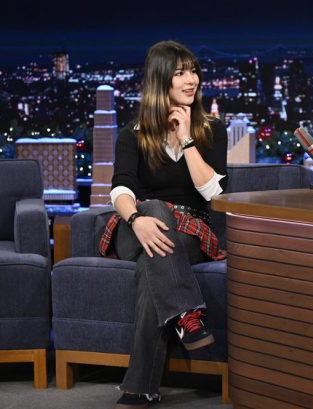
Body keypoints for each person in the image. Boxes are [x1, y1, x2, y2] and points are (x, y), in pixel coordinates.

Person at [104, 40, 227, 409]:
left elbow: (213, 193)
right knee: (154, 208)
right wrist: (137, 218)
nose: (192, 80)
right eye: (180, 73)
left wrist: (187, 139)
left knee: (152, 265)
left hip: (188, 234)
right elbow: (121, 189)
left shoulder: (211, 130)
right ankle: (188, 313)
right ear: (161, 80)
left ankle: (139, 387)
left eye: (194, 72)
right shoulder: (133, 135)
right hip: (134, 229)